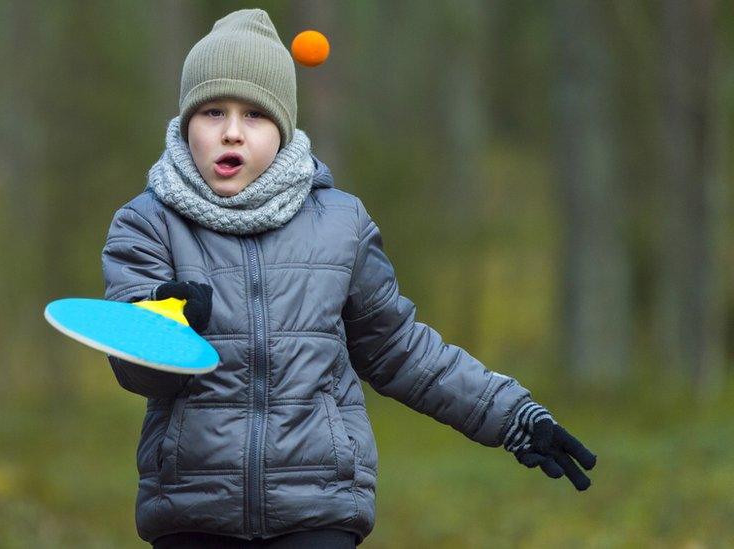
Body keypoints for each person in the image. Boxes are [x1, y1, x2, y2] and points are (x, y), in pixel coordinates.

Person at [101, 8, 597, 548]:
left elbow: (400, 350)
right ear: (185, 123)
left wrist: (512, 415)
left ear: (284, 128)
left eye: (255, 116)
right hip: (192, 508)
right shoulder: (146, 222)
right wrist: (169, 326)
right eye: (213, 111)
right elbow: (137, 370)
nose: (232, 133)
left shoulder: (340, 224)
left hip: (319, 505)